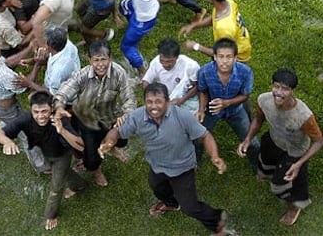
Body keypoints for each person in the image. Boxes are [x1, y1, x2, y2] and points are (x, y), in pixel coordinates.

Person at [98, 83, 229, 236]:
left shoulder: (183, 117)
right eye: (149, 102)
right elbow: (117, 132)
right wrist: (109, 143)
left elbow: (205, 135)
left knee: (190, 207)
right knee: (156, 187)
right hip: (157, 165)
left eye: (158, 102)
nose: (154, 107)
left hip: (183, 169)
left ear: (167, 101)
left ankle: (217, 220)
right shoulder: (137, 116)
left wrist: (215, 156)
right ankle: (172, 204)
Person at [238, 69, 323, 226]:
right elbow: (258, 119)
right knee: (265, 163)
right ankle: (268, 173)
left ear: (292, 91)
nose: (279, 92)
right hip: (273, 141)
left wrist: (299, 164)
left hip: (295, 152)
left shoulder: (303, 116)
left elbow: (319, 141)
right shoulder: (264, 100)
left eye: (285, 89)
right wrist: (248, 139)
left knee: (283, 185)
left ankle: (294, 208)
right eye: (276, 86)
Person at [0, 91, 86, 231]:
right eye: (36, 111)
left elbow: (80, 145)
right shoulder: (26, 119)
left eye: (44, 111)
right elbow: (0, 133)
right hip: (47, 154)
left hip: (62, 156)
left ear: (52, 108)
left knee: (56, 188)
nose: (40, 116)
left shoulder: (61, 119)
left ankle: (51, 215)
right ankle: (79, 185)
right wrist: (7, 142)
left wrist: (62, 131)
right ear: (31, 110)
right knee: (63, 173)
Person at [54, 40, 136, 187]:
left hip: (109, 116)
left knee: (122, 139)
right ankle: (97, 172)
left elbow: (129, 97)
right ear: (89, 59)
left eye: (103, 59)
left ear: (110, 58)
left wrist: (127, 113)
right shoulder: (82, 75)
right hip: (87, 120)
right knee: (91, 158)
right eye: (96, 60)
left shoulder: (119, 73)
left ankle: (113, 149)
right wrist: (59, 106)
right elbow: (64, 91)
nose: (100, 64)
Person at [0, 35, 50, 174]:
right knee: (28, 136)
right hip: (9, 109)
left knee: (7, 124)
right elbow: (26, 86)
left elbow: (6, 62)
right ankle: (41, 167)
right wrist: (37, 64)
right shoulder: (3, 76)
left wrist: (29, 49)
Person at [196, 38, 259, 171]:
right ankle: (196, 162)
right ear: (214, 57)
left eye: (229, 57)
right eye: (221, 57)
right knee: (197, 137)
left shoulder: (245, 72)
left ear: (235, 57)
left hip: (235, 110)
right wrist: (201, 110)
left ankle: (257, 167)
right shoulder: (204, 72)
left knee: (253, 143)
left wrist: (226, 103)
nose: (224, 61)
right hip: (212, 109)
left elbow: (245, 95)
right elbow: (203, 91)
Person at [181, 0, 251, 63]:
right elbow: (214, 18)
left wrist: (195, 46)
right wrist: (194, 25)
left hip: (236, 57)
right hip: (238, 41)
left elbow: (221, 54)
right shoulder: (228, 2)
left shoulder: (223, 28)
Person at [15, 25, 81, 96]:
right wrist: (33, 61)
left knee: (32, 97)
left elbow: (52, 93)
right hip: (62, 80)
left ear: (48, 47)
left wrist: (29, 83)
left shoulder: (58, 71)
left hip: (62, 94)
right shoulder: (64, 43)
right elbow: (49, 56)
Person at [142, 37, 200, 112]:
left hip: (186, 100)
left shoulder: (190, 66)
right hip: (166, 97)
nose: (165, 64)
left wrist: (181, 100)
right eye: (162, 61)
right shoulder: (156, 62)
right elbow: (146, 81)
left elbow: (197, 86)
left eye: (169, 61)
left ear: (177, 57)